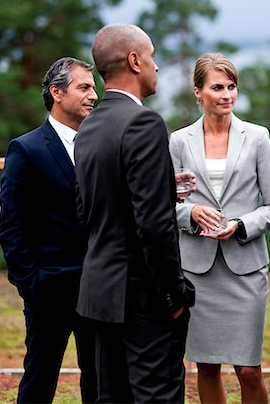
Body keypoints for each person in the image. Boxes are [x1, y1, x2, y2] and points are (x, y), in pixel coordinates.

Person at [74, 23, 195, 404]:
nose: (156, 67)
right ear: (134, 60)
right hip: (141, 297)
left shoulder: (88, 126)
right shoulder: (143, 123)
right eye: (153, 57)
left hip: (98, 293)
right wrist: (173, 295)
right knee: (156, 396)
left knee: (112, 396)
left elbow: (88, 209)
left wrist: (162, 188)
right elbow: (154, 227)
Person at [169, 52, 270, 404]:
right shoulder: (178, 141)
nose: (226, 94)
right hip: (197, 272)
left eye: (232, 87)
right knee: (205, 366)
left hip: (245, 270)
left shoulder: (257, 138)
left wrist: (239, 224)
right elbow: (166, 205)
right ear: (198, 91)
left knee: (249, 369)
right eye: (217, 87)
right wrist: (190, 214)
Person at [0, 57, 98, 404]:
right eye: (84, 87)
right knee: (39, 382)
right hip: (48, 289)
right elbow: (11, 226)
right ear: (56, 92)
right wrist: (31, 284)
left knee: (99, 383)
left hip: (98, 286)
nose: (93, 95)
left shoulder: (99, 144)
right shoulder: (25, 149)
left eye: (94, 87)